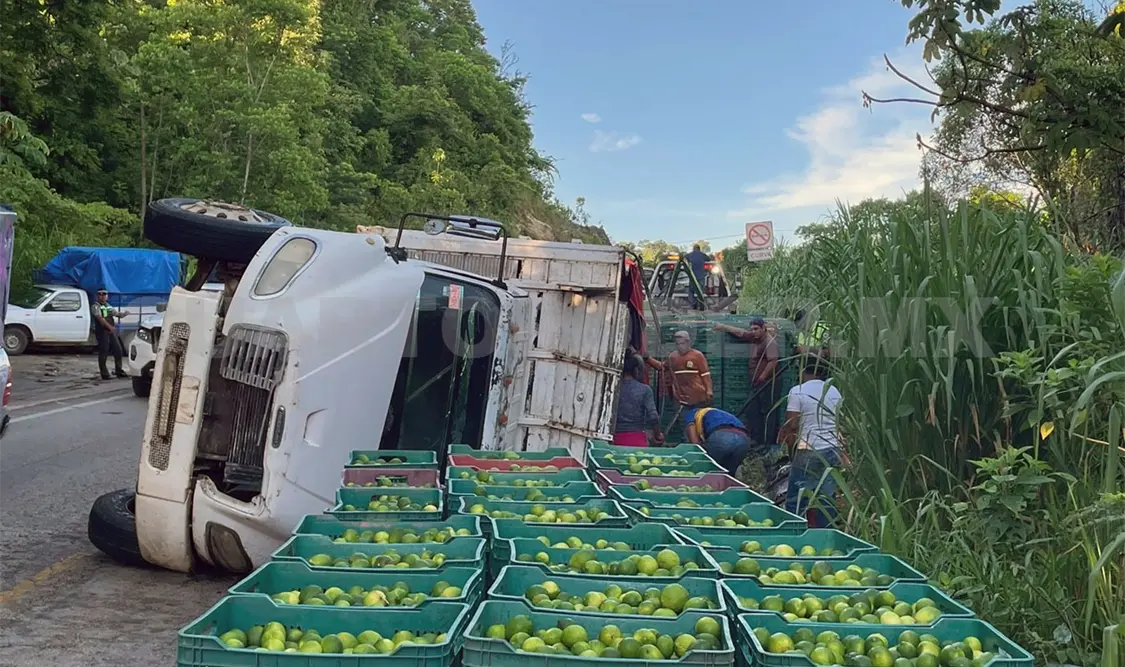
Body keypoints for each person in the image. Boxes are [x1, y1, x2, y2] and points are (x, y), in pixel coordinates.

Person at [779, 355, 846, 527]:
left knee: (797, 496)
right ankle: (827, 535)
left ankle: (794, 530)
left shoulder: (798, 390)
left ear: (803, 371)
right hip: (832, 448)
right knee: (827, 496)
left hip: (808, 448)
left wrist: (792, 452)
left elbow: (792, 425)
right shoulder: (834, 391)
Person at [713, 317, 781, 448]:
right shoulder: (754, 338)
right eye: (752, 329)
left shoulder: (769, 342)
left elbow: (773, 361)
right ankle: (756, 438)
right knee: (752, 409)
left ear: (763, 328)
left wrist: (762, 376)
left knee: (769, 412)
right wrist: (723, 327)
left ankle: (768, 443)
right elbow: (741, 333)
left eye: (756, 329)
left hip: (769, 383)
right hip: (757, 383)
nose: (753, 331)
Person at [642, 330, 712, 409]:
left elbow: (705, 374)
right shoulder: (673, 357)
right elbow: (662, 367)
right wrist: (648, 359)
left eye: (682, 344)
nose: (680, 346)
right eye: (677, 344)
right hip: (681, 398)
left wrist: (709, 391)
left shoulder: (697, 356)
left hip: (698, 397)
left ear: (688, 342)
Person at [683, 407, 756, 476]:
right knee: (728, 475)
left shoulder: (692, 413)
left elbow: (695, 444)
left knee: (708, 471)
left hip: (721, 436)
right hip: (744, 440)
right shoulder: (719, 413)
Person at [613, 355, 663, 447]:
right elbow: (653, 416)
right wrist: (658, 434)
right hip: (637, 439)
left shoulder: (613, 388)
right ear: (636, 370)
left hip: (614, 439)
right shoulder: (644, 390)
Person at [91, 288, 129, 380]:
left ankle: (119, 370)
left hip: (110, 331)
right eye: (100, 294)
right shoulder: (95, 306)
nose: (102, 296)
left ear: (107, 296)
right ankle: (104, 374)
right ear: (97, 296)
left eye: (104, 294)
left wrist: (124, 314)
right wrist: (110, 327)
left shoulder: (108, 306)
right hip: (103, 331)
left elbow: (116, 314)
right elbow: (100, 318)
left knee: (118, 350)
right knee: (104, 351)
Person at [683, 244, 710, 310]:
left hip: (693, 277)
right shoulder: (702, 255)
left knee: (691, 291)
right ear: (699, 249)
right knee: (700, 291)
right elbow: (709, 259)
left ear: (693, 249)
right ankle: (701, 305)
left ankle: (693, 304)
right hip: (701, 277)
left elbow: (683, 259)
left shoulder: (690, 255)